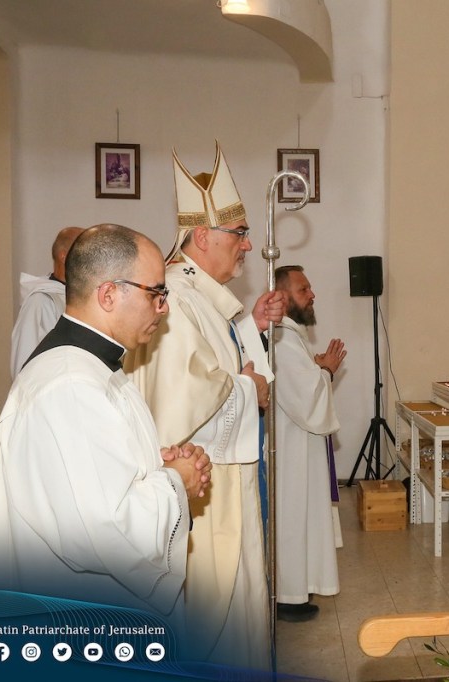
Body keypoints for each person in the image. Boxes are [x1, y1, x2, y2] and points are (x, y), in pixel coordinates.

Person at [0, 224, 211, 617]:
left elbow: (89, 480)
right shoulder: (70, 384)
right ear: (108, 294)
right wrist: (177, 481)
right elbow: (108, 529)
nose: (164, 307)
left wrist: (156, 465)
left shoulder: (88, 368)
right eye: (156, 292)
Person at [124, 143, 285, 667]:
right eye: (238, 234)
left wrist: (249, 342)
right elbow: (178, 405)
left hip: (227, 484)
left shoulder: (202, 297)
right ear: (201, 236)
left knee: (240, 617)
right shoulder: (174, 296)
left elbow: (216, 370)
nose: (247, 245)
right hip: (205, 492)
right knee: (218, 622)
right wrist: (249, 390)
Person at [272, 265, 345, 622]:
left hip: (299, 445)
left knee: (302, 517)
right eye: (304, 290)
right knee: (293, 516)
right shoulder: (282, 339)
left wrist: (317, 368)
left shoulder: (291, 336)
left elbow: (302, 385)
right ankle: (288, 595)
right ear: (283, 298)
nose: (312, 295)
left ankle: (297, 588)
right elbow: (306, 397)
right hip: (292, 452)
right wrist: (327, 370)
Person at [9, 225, 84, 377]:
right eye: (83, 251)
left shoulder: (83, 297)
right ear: (64, 256)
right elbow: (24, 362)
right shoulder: (41, 301)